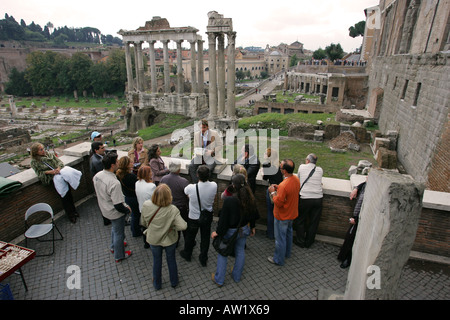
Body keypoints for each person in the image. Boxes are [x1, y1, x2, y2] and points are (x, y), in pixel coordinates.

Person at [211, 174, 259, 287]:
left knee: (223, 253)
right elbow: (253, 213)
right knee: (240, 250)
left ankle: (219, 279)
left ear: (233, 185)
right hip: (244, 229)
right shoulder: (250, 197)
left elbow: (223, 220)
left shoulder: (230, 201)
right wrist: (252, 226)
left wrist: (217, 232)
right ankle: (236, 276)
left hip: (230, 231)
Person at [140, 184, 187, 290]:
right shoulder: (172, 209)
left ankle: (157, 284)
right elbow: (183, 226)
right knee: (171, 259)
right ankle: (174, 282)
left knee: (156, 261)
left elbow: (143, 222)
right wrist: (172, 227)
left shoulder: (146, 204)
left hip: (153, 239)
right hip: (169, 240)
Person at [93, 152, 132, 262]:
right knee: (119, 233)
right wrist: (127, 210)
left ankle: (113, 246)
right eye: (117, 161)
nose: (119, 163)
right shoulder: (114, 183)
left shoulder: (98, 176)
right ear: (112, 165)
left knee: (115, 229)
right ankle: (119, 255)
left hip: (105, 209)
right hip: (114, 212)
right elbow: (118, 205)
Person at [30, 142, 81, 223]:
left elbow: (59, 162)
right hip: (54, 179)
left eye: (43, 148)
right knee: (64, 197)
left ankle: (74, 211)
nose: (43, 151)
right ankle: (70, 215)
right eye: (41, 150)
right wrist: (51, 172)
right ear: (36, 152)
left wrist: (58, 168)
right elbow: (39, 173)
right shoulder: (34, 162)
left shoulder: (49, 154)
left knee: (69, 194)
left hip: (61, 175)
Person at [180, 165, 217, 267]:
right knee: (205, 238)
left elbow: (185, 192)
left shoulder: (191, 188)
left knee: (190, 236)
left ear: (197, 175)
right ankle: (203, 258)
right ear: (208, 175)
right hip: (207, 216)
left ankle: (187, 253)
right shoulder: (214, 185)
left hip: (193, 217)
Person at [267, 159, 300, 266]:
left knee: (280, 239)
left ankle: (278, 259)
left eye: (281, 167)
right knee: (288, 234)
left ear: (284, 171)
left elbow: (278, 202)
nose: (280, 169)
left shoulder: (284, 185)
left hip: (282, 216)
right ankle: (287, 253)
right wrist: (279, 187)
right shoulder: (295, 179)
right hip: (292, 213)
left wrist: (273, 193)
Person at [294, 153, 323, 248]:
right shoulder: (320, 170)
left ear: (308, 160)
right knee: (314, 222)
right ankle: (309, 242)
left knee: (300, 220)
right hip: (318, 198)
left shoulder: (302, 167)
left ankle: (300, 241)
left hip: (305, 197)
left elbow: (298, 179)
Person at [338, 178, 367, 268]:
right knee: (350, 237)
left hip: (360, 219)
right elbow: (363, 183)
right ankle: (344, 256)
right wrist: (356, 188)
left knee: (352, 239)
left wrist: (356, 219)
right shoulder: (366, 185)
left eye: (369, 176)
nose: (366, 177)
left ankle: (348, 259)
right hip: (357, 217)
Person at [160, 160, 190, 245]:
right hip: (181, 207)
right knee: (184, 225)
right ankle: (188, 243)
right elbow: (188, 195)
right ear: (178, 169)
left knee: (172, 225)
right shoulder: (183, 181)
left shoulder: (163, 179)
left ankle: (175, 242)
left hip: (168, 207)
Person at [116, 156, 141, 238]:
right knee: (136, 215)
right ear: (126, 165)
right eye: (130, 162)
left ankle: (134, 229)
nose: (132, 163)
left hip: (127, 197)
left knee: (134, 214)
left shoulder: (120, 175)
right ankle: (136, 231)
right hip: (133, 198)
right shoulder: (130, 176)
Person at [262, 148, 283, 240]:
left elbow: (265, 178)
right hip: (280, 189)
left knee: (270, 212)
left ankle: (271, 234)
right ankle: (278, 233)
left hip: (272, 189)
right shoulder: (280, 164)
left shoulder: (267, 165)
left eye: (265, 153)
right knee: (278, 212)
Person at [89, 141, 111, 226]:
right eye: (102, 148)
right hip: (102, 184)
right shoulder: (98, 161)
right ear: (96, 150)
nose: (104, 149)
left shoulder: (93, 158)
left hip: (98, 183)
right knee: (105, 201)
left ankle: (106, 219)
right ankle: (107, 219)